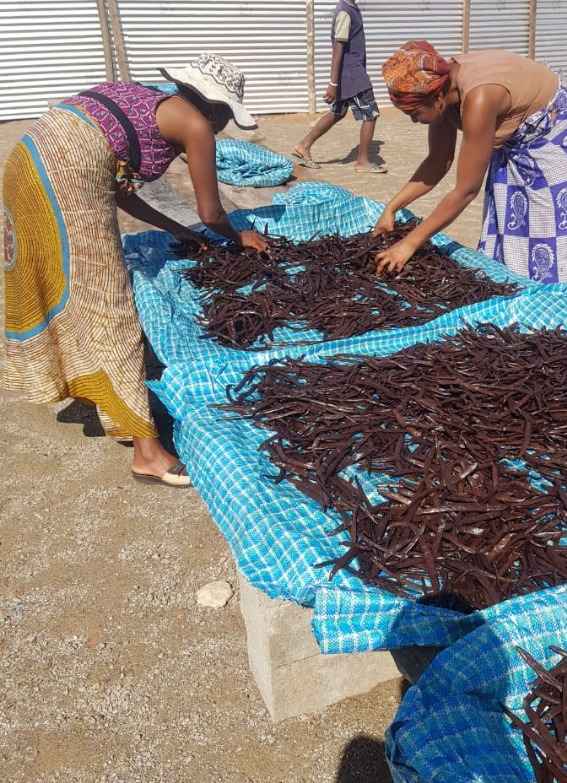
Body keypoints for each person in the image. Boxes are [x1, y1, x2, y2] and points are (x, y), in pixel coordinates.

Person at [2, 52, 269, 487]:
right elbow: (213, 211)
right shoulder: (198, 125)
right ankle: (148, 453)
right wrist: (239, 237)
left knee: (61, 280)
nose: (221, 128)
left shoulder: (146, 101)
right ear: (217, 107)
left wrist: (178, 229)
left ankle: (82, 382)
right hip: (68, 172)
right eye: (224, 118)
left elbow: (121, 194)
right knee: (110, 299)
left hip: (29, 159)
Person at [374, 42, 567, 303]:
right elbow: (438, 159)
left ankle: (566, 311)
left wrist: (409, 243)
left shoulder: (479, 98)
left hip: (563, 140)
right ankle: (521, 302)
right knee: (515, 224)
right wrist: (392, 207)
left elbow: (466, 190)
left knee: (554, 233)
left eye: (415, 114)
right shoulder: (444, 86)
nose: (414, 121)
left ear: (437, 97)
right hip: (521, 138)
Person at [291, 0, 386, 173]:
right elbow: (338, 49)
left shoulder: (350, 8)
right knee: (370, 113)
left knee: (338, 112)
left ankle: (304, 145)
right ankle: (362, 161)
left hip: (349, 71)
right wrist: (333, 83)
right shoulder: (344, 12)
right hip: (352, 73)